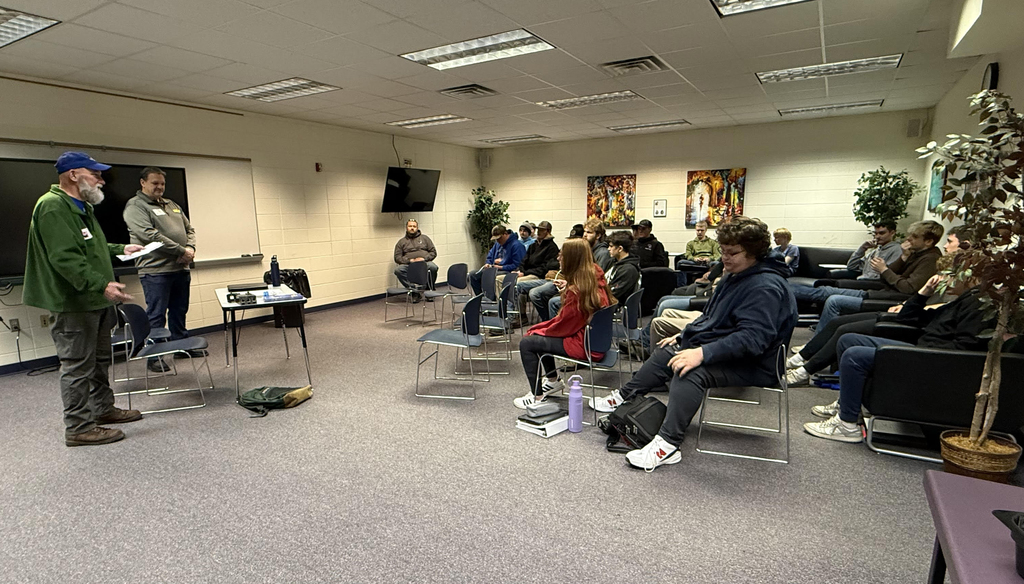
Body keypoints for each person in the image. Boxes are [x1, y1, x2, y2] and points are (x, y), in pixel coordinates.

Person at [593, 217, 797, 471]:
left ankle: (668, 444)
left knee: (689, 370)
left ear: (755, 251)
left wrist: (702, 353)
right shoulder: (740, 274)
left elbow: (753, 339)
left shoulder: (764, 287)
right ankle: (625, 396)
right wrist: (684, 336)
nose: (725, 257)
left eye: (732, 252)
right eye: (723, 251)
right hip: (738, 352)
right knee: (668, 350)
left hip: (759, 364)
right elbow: (714, 318)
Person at [23, 152, 145, 447]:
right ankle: (78, 428)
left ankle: (103, 410)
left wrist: (120, 248)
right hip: (75, 303)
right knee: (78, 366)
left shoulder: (82, 207)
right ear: (73, 174)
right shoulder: (52, 206)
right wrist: (102, 285)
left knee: (100, 361)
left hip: (95, 300)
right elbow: (65, 258)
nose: (102, 180)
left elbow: (90, 245)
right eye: (96, 174)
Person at [803, 275, 993, 443]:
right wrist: (923, 294)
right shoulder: (962, 299)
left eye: (949, 274)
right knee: (848, 339)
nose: (942, 278)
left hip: (931, 360)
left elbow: (964, 350)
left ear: (968, 276)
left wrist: (915, 354)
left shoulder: (978, 304)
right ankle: (846, 404)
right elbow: (906, 317)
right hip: (922, 352)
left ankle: (847, 426)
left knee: (855, 356)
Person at [513, 239, 615, 408]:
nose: (559, 257)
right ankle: (552, 381)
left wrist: (537, 330)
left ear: (572, 258)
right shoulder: (595, 276)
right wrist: (569, 287)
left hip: (584, 345)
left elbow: (563, 326)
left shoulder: (578, 291)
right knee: (538, 336)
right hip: (595, 341)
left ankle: (537, 398)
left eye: (562, 254)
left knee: (528, 342)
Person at [792, 220, 944, 332]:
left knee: (831, 298)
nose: (909, 239)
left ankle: (816, 343)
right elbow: (883, 274)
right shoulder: (914, 253)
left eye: (914, 237)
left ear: (929, 241)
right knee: (825, 288)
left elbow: (907, 288)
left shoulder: (930, 259)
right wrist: (903, 258)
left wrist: (884, 269)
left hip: (885, 296)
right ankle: (785, 289)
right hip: (878, 290)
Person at [123, 167, 201, 372]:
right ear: (143, 183)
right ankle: (154, 357)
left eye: (162, 183)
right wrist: (180, 251)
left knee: (179, 311)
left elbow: (189, 230)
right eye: (155, 183)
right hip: (155, 270)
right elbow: (149, 235)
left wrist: (190, 248)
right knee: (156, 315)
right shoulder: (135, 206)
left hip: (180, 268)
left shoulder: (172, 204)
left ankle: (181, 346)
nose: (159, 187)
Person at [529, 218, 611, 322]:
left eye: (589, 232)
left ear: (598, 235)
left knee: (548, 299)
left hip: (582, 290)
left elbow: (593, 280)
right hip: (572, 282)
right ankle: (550, 322)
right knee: (535, 292)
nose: (585, 235)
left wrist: (570, 285)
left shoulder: (601, 253)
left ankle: (552, 323)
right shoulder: (586, 248)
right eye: (584, 232)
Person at [512, 221, 558, 324]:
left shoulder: (551, 247)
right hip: (528, 273)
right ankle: (511, 312)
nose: (539, 232)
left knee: (518, 283)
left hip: (538, 275)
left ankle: (522, 316)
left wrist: (525, 273)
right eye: (538, 229)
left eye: (542, 230)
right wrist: (522, 270)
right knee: (508, 279)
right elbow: (524, 260)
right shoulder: (534, 245)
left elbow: (544, 268)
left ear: (548, 231)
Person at [830, 223, 902, 280]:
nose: (877, 237)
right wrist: (862, 248)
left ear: (892, 233)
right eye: (876, 233)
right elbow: (852, 266)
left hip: (873, 284)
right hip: (863, 281)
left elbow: (888, 274)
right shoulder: (875, 251)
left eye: (881, 233)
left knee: (829, 292)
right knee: (826, 284)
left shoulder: (897, 250)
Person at [469, 225, 525, 295]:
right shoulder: (497, 244)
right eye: (496, 239)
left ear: (505, 234)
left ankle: (492, 299)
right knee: (473, 275)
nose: (498, 241)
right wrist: (488, 263)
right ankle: (481, 297)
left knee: (489, 276)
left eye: (499, 238)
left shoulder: (517, 245)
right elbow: (490, 256)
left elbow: (518, 265)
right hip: (494, 268)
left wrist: (501, 267)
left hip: (508, 270)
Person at [392, 219, 438, 301]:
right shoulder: (401, 242)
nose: (412, 228)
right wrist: (410, 261)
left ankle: (429, 290)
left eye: (414, 226)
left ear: (417, 228)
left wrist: (424, 258)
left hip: (424, 263)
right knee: (398, 270)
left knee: (433, 267)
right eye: (410, 226)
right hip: (409, 264)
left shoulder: (425, 238)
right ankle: (414, 292)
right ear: (406, 228)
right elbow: (397, 257)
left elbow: (433, 252)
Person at [605, 230, 641, 306]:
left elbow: (613, 294)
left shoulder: (629, 270)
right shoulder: (612, 262)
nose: (608, 249)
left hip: (612, 307)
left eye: (611, 246)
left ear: (620, 249)